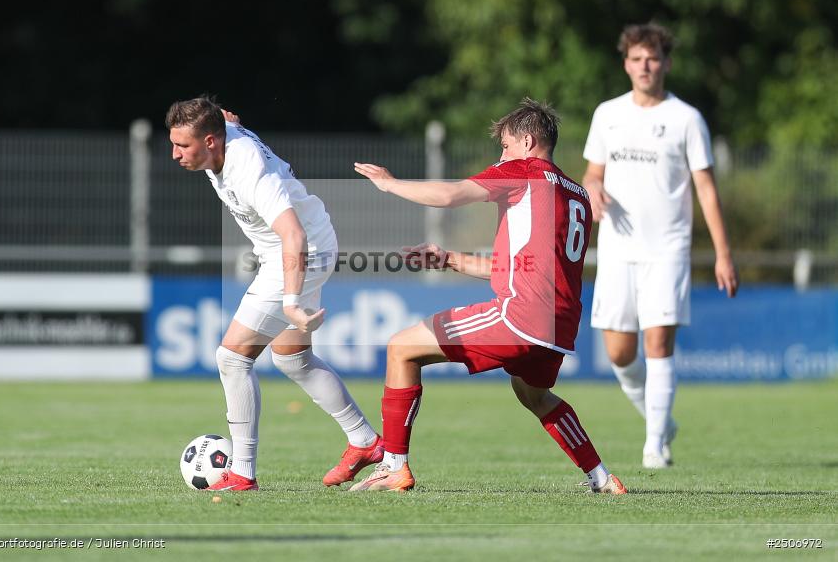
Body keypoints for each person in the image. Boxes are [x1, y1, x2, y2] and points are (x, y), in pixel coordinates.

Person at [349, 98, 626, 494]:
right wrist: (448, 259)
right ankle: (602, 477)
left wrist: (390, 184)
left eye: (506, 145)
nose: (502, 155)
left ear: (527, 141)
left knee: (400, 347)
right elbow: (517, 267)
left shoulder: (523, 171)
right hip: (558, 328)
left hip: (522, 317)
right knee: (532, 392)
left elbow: (450, 196)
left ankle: (393, 466)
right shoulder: (575, 193)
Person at [165, 96, 383, 490]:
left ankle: (242, 472)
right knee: (293, 359)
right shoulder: (223, 134)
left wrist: (291, 301)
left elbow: (293, 235)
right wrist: (230, 120)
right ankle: (365, 442)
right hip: (301, 245)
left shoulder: (249, 170)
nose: (175, 154)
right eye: (173, 143)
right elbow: (228, 121)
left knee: (231, 357)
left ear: (211, 141)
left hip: (300, 252)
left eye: (183, 146)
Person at [581, 23, 739, 469]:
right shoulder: (608, 113)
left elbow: (706, 189)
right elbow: (593, 173)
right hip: (617, 247)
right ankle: (659, 420)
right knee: (618, 353)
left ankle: (655, 445)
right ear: (626, 64)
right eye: (636, 58)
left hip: (667, 248)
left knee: (659, 342)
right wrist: (592, 188)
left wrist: (724, 253)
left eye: (652, 58)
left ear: (666, 63)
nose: (644, 66)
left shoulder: (686, 119)